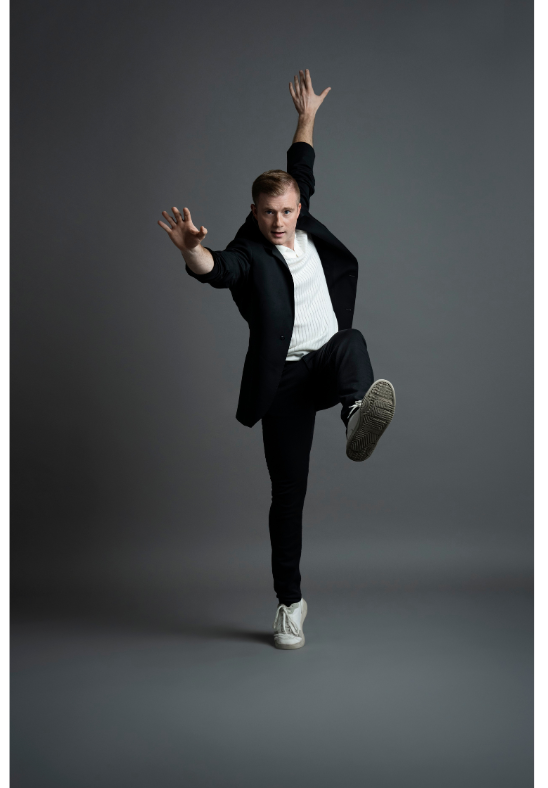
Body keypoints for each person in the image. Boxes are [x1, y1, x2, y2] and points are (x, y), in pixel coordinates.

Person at [157, 69, 396, 650]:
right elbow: (218, 272)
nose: (281, 221)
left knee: (353, 342)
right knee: (288, 496)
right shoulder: (247, 253)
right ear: (256, 212)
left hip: (329, 366)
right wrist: (194, 251)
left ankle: (356, 413)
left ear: (296, 206)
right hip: (285, 383)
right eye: (270, 213)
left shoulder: (300, 208)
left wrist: (307, 114)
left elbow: (301, 161)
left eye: (288, 210)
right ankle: (290, 605)